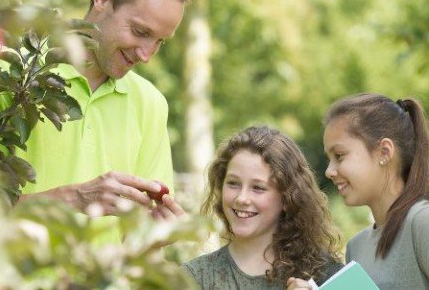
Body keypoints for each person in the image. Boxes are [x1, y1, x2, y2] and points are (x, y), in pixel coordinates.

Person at [0, 0, 192, 241]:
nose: (147, 55)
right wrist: (72, 199)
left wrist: (158, 234)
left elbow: (139, 240)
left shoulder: (151, 104)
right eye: (140, 32)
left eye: (160, 41)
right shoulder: (7, 74)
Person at [182, 126, 343, 289]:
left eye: (258, 187)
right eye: (233, 183)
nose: (242, 198)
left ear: (287, 198)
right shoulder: (194, 277)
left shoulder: (326, 275)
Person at [321, 93, 429, 290]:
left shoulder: (422, 222)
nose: (329, 171)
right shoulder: (356, 247)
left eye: (339, 156)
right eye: (329, 159)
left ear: (384, 152)